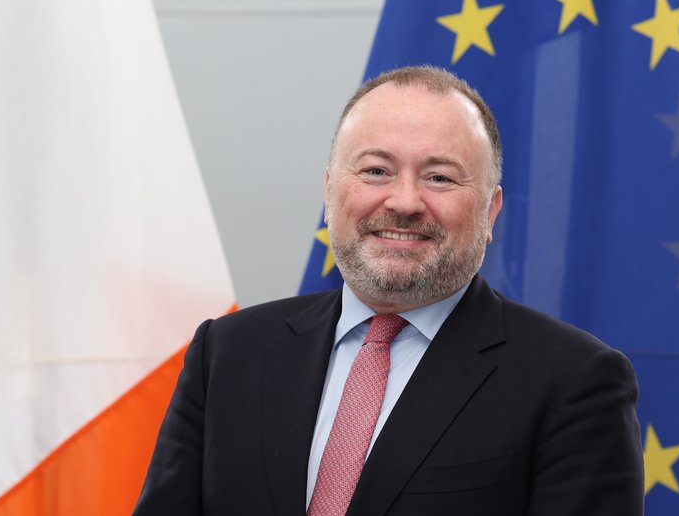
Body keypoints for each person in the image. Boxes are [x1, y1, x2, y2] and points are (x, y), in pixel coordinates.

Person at [133, 66, 643, 516]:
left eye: (440, 177)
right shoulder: (226, 354)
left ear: (490, 212)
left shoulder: (575, 381)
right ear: (330, 193)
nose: (403, 202)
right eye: (376, 170)